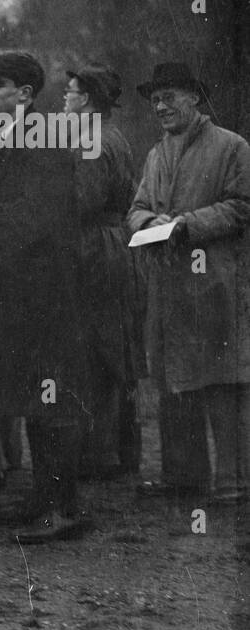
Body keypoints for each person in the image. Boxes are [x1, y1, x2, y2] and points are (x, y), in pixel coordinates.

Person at [128, 61, 250, 505]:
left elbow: (241, 206)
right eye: (155, 100)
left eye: (169, 97)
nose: (160, 106)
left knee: (222, 382)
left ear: (194, 98)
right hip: (168, 286)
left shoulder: (231, 146)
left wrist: (186, 224)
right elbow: (136, 207)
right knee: (172, 379)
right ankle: (184, 478)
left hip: (215, 282)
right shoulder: (156, 153)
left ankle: (233, 482)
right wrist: (150, 220)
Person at [0, 50, 89, 542]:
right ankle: (41, 498)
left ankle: (63, 509)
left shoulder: (44, 139)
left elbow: (39, 217)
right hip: (19, 291)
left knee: (54, 398)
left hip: (49, 292)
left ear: (25, 94)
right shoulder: (5, 139)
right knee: (32, 395)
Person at [64, 65, 143, 482]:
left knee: (96, 349)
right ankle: (118, 451)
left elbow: (84, 201)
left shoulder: (91, 140)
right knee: (113, 347)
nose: (64, 98)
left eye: (70, 92)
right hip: (113, 243)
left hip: (95, 246)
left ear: (88, 100)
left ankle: (101, 453)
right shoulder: (111, 135)